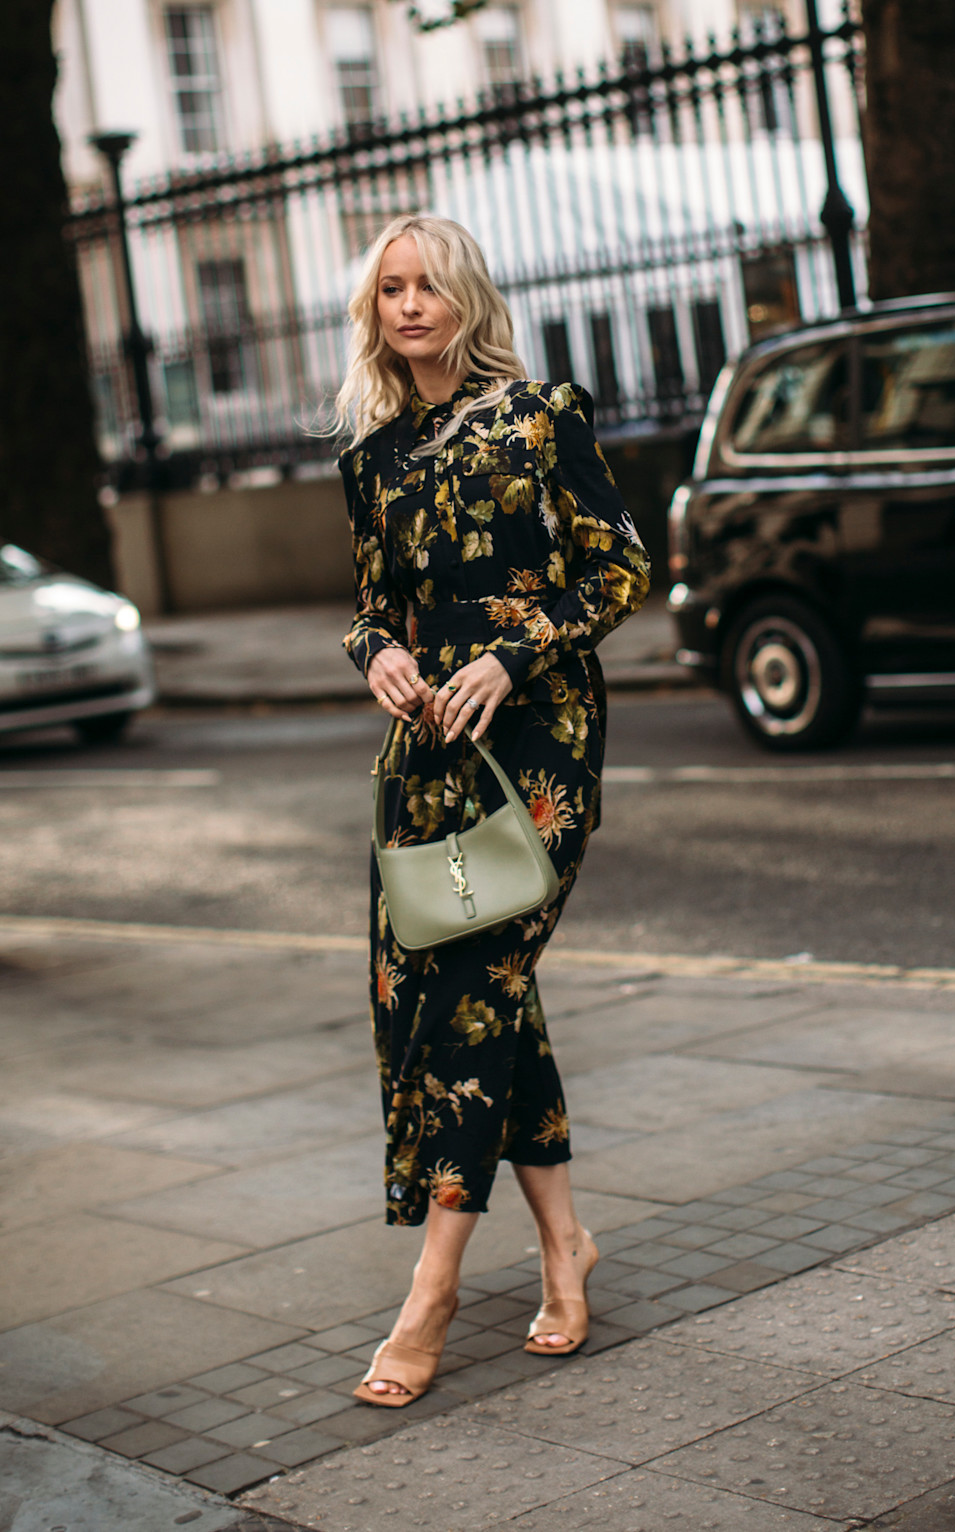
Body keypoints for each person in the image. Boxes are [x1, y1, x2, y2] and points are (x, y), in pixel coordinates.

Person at [335, 213, 650, 1407]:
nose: (410, 305)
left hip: (539, 738)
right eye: (391, 289)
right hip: (428, 751)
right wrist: (377, 654)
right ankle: (566, 1247)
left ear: (465, 296)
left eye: (428, 285)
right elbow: (375, 605)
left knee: (475, 988)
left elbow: (620, 567)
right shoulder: (373, 458)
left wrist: (513, 656)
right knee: (473, 988)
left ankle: (433, 1291)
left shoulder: (542, 416)